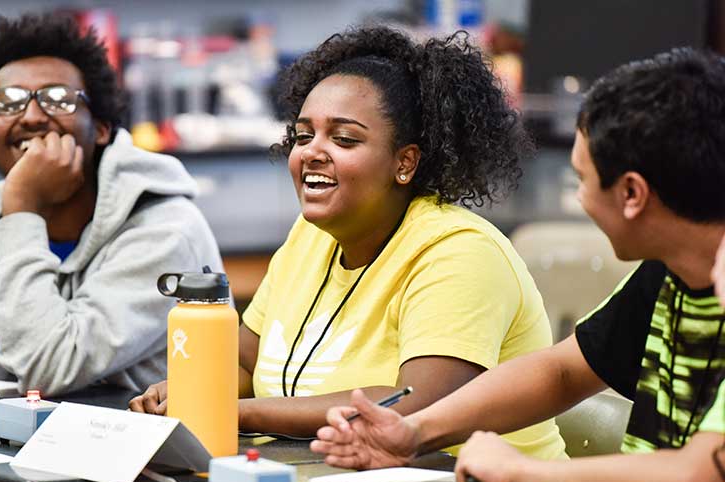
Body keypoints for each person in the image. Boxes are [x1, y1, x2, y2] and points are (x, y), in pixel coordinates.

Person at [312, 47, 725, 482]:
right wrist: (413, 432)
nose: (581, 200)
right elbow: (561, 372)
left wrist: (519, 472)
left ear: (632, 194)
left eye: (581, 181)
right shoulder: (668, 273)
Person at [130, 26, 566, 459]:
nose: (312, 152)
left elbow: (413, 405)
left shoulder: (460, 253)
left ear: (405, 162)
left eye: (344, 139)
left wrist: (234, 412)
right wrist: (189, 390)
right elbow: (245, 363)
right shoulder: (309, 237)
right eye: (303, 136)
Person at [0, 13, 223, 396]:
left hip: (152, 446)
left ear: (103, 127)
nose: (32, 115)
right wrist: (19, 207)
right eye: (8, 102)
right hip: (39, 441)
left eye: (58, 98)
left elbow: (47, 369)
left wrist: (24, 208)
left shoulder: (165, 228)